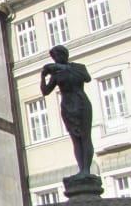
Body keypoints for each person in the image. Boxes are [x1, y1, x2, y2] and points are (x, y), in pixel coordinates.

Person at [40, 45, 94, 179]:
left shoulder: (78, 67)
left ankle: (86, 170)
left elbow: (87, 78)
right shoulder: (57, 74)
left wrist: (64, 68)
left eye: (57, 56)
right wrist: (43, 77)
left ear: (64, 55)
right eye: (54, 57)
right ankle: (81, 169)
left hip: (81, 102)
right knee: (75, 139)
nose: (56, 59)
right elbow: (46, 91)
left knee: (85, 137)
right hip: (67, 105)